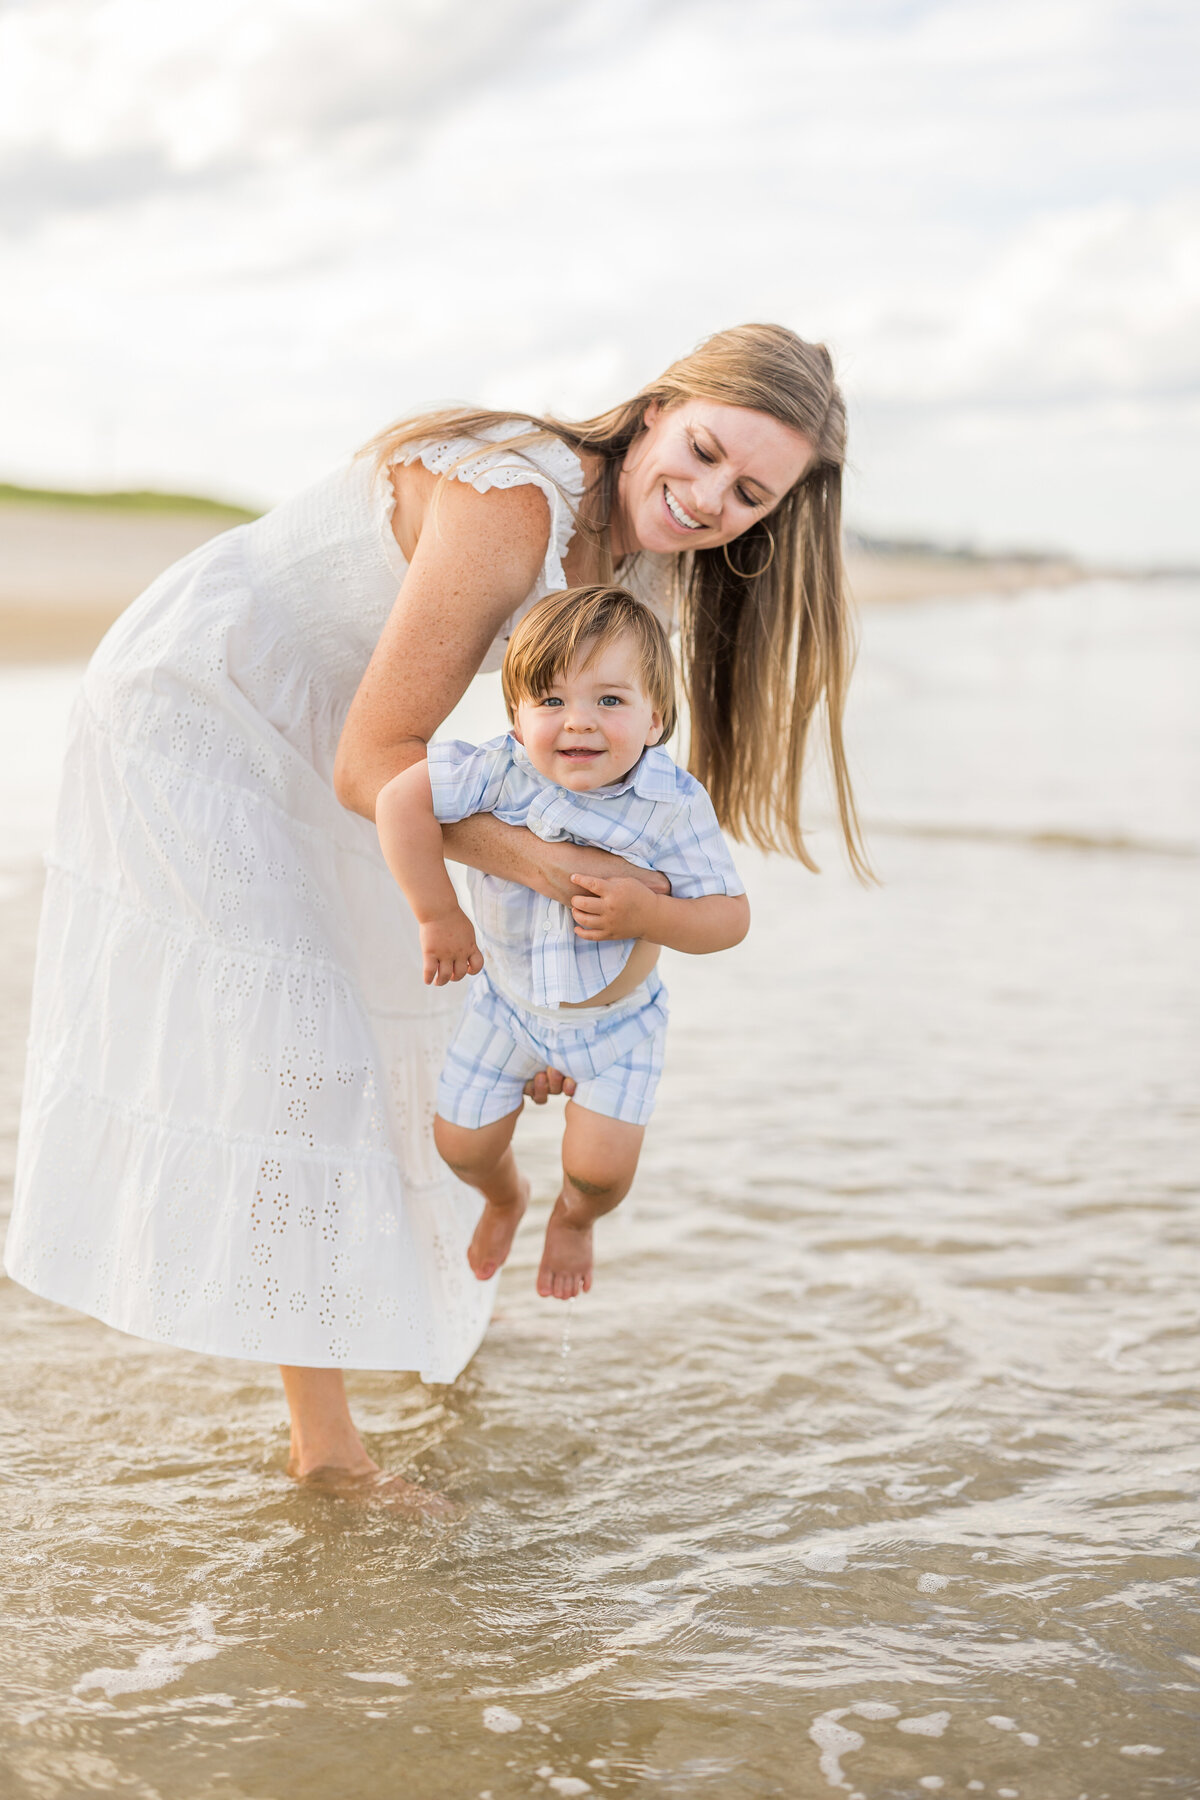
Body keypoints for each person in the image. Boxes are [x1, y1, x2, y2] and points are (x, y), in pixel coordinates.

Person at [5, 322, 867, 1508]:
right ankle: (327, 1447)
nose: (712, 496)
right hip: (205, 707)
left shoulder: (637, 563)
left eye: (750, 492)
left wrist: (564, 1003)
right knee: (304, 1055)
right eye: (706, 451)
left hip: (356, 732)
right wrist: (550, 871)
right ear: (659, 406)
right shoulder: (514, 506)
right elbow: (379, 756)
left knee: (411, 1021)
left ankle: (410, 1312)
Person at [378, 585, 749, 1302]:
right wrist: (437, 914)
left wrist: (649, 915)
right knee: (461, 1145)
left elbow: (730, 917)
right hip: (508, 1007)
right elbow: (399, 799)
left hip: (618, 1026)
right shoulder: (498, 771)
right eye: (550, 702)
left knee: (600, 1172)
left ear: (656, 718)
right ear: (516, 721)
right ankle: (504, 1197)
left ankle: (575, 1220)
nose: (578, 722)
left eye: (609, 701)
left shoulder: (673, 805)